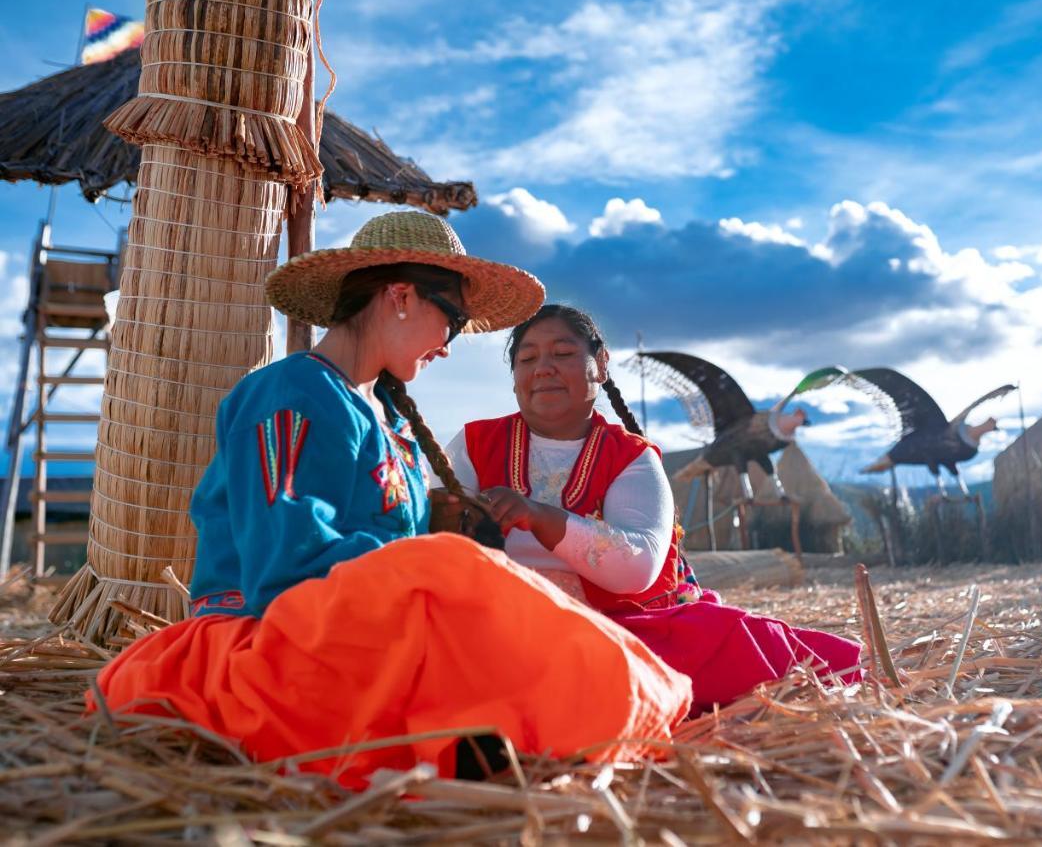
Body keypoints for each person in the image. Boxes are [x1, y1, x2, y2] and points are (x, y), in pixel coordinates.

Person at [91, 214, 692, 786]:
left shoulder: (389, 423)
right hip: (276, 644)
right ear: (401, 298)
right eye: (453, 322)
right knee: (462, 585)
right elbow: (286, 565)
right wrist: (431, 568)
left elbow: (389, 556)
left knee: (530, 649)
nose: (449, 346)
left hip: (366, 638)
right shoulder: (289, 393)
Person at [438, 304, 862, 716]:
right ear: (515, 380)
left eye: (564, 354)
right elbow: (431, 526)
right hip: (495, 620)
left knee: (719, 643)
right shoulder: (475, 443)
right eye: (527, 359)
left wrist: (542, 517)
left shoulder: (632, 458)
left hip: (612, 623)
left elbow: (637, 565)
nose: (543, 368)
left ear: (600, 365)